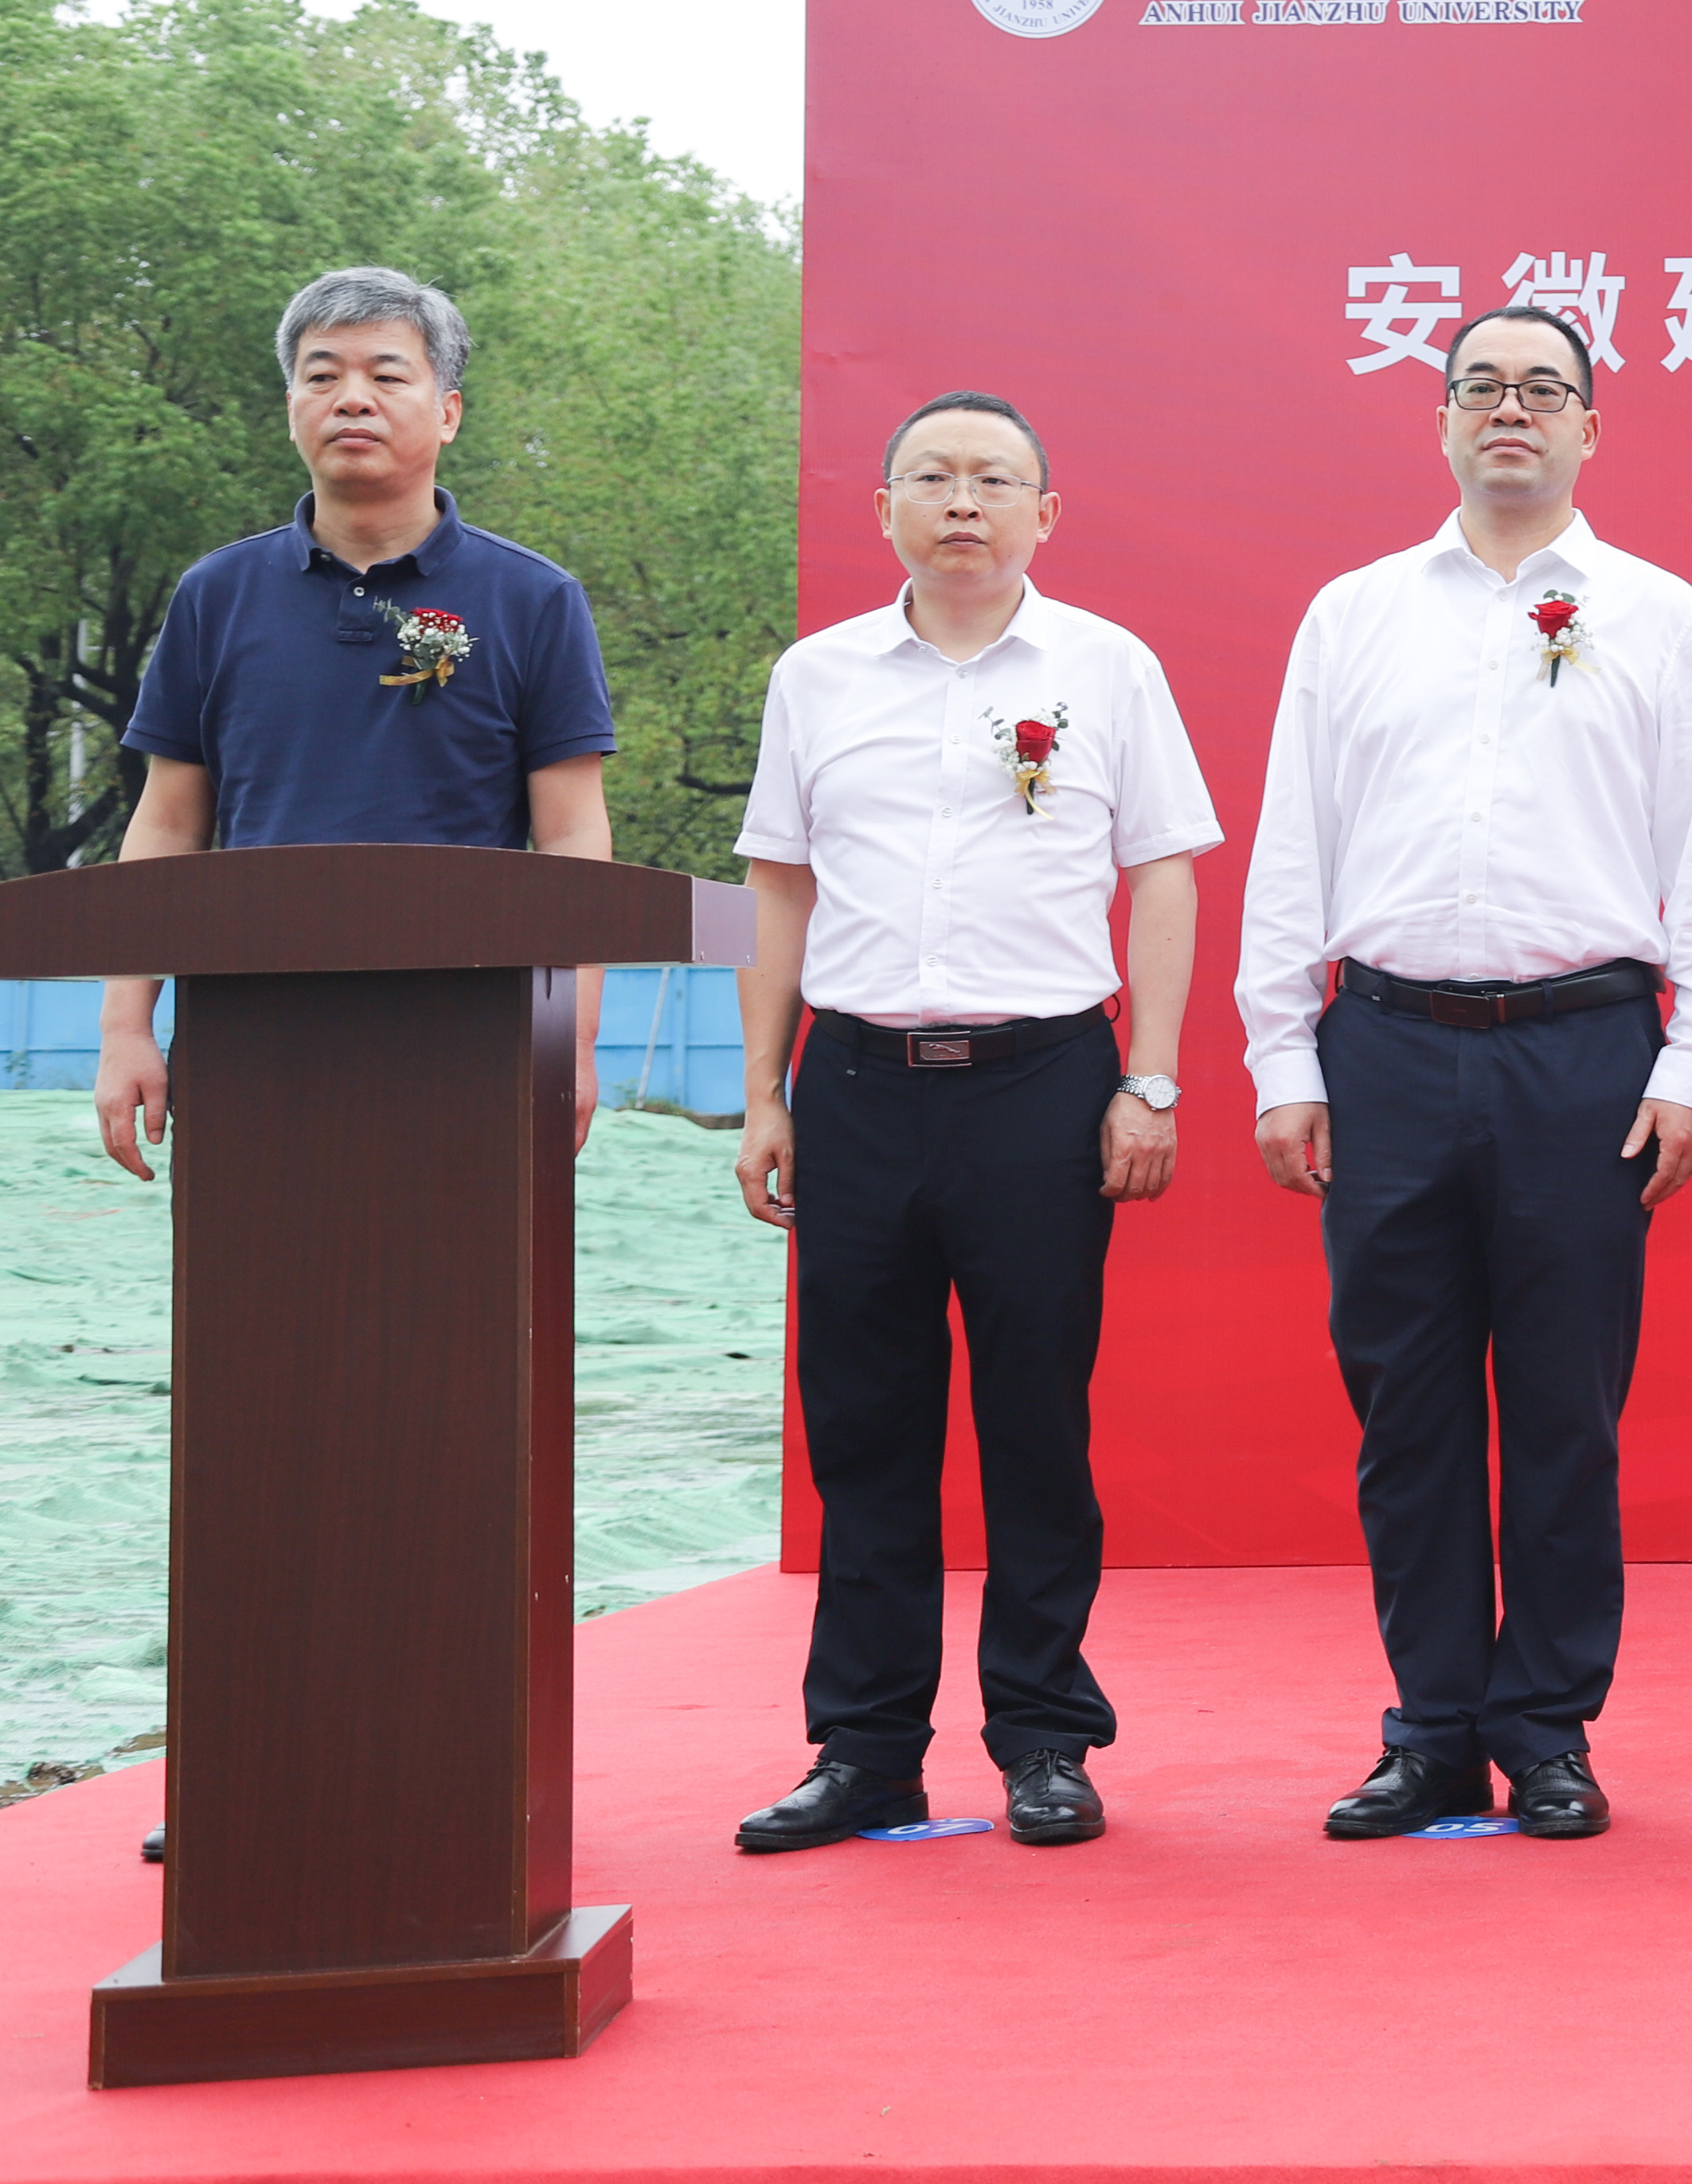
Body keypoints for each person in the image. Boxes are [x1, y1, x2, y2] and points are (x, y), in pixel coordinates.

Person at [1238, 307, 1692, 1842]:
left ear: (1591, 425)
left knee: (1564, 1411)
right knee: (1404, 1410)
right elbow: (1295, 840)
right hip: (1385, 1047)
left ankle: (1548, 1731)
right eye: (1481, 388)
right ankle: (1432, 1730)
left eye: (1542, 390)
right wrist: (1282, 1050)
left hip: (1585, 1052)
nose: (1509, 410)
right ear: (1443, 421)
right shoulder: (1355, 614)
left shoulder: (1660, 615)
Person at [722, 393, 1215, 1854]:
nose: (961, 502)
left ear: (1043, 515)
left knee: (1035, 1424)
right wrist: (765, 1092)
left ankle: (1045, 1738)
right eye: (931, 477)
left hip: (1041, 1085)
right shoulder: (817, 676)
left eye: (994, 480)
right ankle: (866, 1750)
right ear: (882, 508)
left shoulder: (1108, 667)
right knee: (863, 1429)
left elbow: (1165, 872)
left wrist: (1152, 1079)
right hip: (858, 1085)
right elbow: (778, 885)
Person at [96, 267, 621, 1182]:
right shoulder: (216, 594)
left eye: (385, 374)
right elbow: (169, 825)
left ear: (447, 411)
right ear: (291, 407)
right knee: (252, 1268)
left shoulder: (534, 598)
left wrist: (570, 1038)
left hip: (469, 1031)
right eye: (322, 374)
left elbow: (574, 834)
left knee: (464, 1267)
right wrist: (124, 1026)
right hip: (248, 1027)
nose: (351, 398)